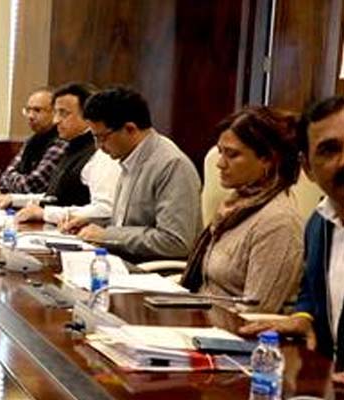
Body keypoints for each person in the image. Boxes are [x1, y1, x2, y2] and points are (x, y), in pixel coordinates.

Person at [241, 96, 344, 378]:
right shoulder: (319, 225)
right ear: (307, 168)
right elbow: (311, 291)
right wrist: (303, 317)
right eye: (329, 150)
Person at [178, 107, 303, 313]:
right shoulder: (236, 205)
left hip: (225, 328)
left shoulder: (278, 222)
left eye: (232, 155)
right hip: (199, 314)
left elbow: (255, 313)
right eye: (221, 152)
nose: (220, 164)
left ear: (267, 159)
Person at [71, 87, 202, 262]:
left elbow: (175, 241)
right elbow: (129, 223)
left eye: (102, 137)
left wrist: (106, 235)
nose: (98, 146)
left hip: (153, 270)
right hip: (122, 260)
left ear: (130, 129)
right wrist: (94, 223)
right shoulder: (129, 156)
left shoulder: (172, 165)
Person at [14, 83, 120, 225]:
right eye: (56, 113)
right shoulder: (72, 145)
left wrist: (46, 214)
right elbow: (56, 197)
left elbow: (105, 210)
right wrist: (12, 199)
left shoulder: (102, 153)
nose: (56, 120)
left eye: (64, 113)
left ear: (88, 116)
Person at [0, 87, 67, 208]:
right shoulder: (32, 141)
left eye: (37, 110)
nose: (30, 116)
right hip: (22, 206)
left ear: (54, 113)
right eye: (28, 110)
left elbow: (31, 185)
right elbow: (4, 177)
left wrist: (13, 183)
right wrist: (15, 182)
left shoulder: (61, 142)